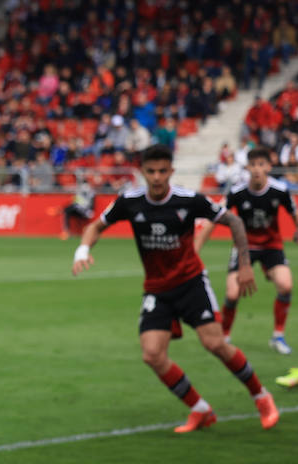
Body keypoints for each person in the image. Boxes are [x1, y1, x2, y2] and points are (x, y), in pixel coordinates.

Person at [73, 145, 280, 432]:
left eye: (162, 171)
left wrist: (245, 265)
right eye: (151, 171)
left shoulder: (189, 199)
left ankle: (262, 397)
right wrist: (82, 250)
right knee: (152, 354)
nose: (157, 177)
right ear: (142, 172)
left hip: (191, 283)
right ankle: (200, 409)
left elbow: (232, 220)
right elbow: (96, 226)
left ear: (171, 171)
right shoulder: (129, 201)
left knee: (215, 344)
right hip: (157, 289)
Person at [210, 146, 297, 355]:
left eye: (261, 164)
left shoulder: (280, 190)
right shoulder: (237, 192)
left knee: (286, 286)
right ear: (247, 167)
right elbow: (218, 216)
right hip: (244, 247)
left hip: (271, 246)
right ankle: (225, 337)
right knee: (232, 292)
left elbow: (294, 212)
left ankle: (278, 336)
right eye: (253, 165)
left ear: (268, 166)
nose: (257, 169)